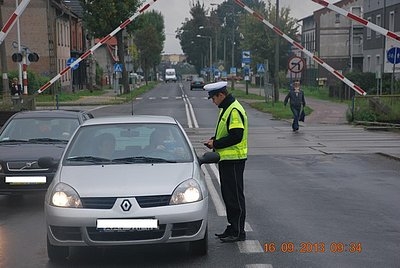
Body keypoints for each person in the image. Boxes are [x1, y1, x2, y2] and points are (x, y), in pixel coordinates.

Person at [203, 81, 248, 243]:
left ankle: (238, 231)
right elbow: (227, 133)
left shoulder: (233, 110)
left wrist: (216, 144)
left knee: (234, 197)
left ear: (221, 95)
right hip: (227, 160)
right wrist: (214, 140)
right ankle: (232, 227)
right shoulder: (227, 108)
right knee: (229, 196)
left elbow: (237, 136)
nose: (213, 102)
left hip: (234, 160)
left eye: (213, 98)